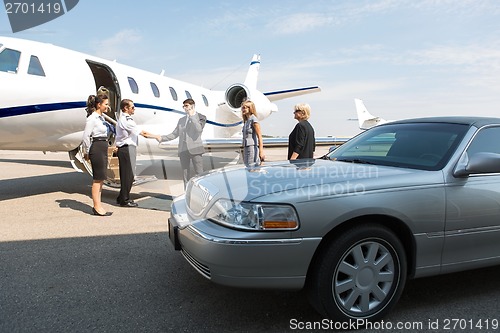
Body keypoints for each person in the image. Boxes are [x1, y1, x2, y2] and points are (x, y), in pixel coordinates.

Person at [115, 99, 158, 207]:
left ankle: (121, 197)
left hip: (127, 149)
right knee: (127, 175)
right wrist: (157, 136)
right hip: (126, 149)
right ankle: (124, 200)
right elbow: (143, 133)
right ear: (126, 108)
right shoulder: (126, 120)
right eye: (132, 107)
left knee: (128, 175)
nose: (134, 109)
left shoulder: (125, 119)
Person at [155, 98, 206, 186]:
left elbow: (199, 130)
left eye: (186, 106)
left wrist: (192, 116)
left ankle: (200, 194)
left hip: (195, 149)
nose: (185, 108)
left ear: (192, 106)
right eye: (184, 106)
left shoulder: (201, 117)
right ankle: (186, 193)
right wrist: (162, 138)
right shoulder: (181, 120)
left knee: (199, 173)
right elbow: (175, 134)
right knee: (185, 175)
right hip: (183, 150)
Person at [82, 94, 113, 216]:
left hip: (103, 145)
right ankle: (96, 207)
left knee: (101, 179)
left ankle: (98, 205)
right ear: (99, 105)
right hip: (97, 147)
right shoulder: (92, 118)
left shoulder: (101, 118)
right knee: (97, 178)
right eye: (106, 104)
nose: (107, 106)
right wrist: (86, 152)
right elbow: (86, 136)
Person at [241, 100, 265, 166]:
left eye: (245, 107)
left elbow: (259, 136)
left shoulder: (254, 120)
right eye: (243, 107)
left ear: (250, 108)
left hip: (252, 149)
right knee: (247, 169)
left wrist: (261, 152)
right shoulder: (246, 122)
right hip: (246, 148)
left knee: (252, 169)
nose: (243, 109)